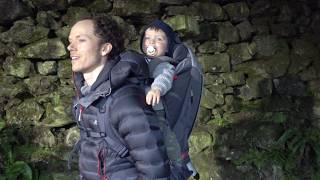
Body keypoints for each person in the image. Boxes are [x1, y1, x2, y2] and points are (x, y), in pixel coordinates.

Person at [67, 15, 170, 180]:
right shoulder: (87, 96)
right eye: (70, 41)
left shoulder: (125, 103)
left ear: (104, 49)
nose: (70, 47)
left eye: (81, 40)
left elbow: (155, 173)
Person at [140, 19, 200, 179]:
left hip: (157, 111)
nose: (152, 42)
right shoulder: (139, 62)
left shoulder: (164, 64)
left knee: (169, 140)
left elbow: (164, 77)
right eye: (148, 38)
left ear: (167, 46)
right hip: (141, 110)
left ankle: (184, 164)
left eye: (159, 39)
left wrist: (156, 88)